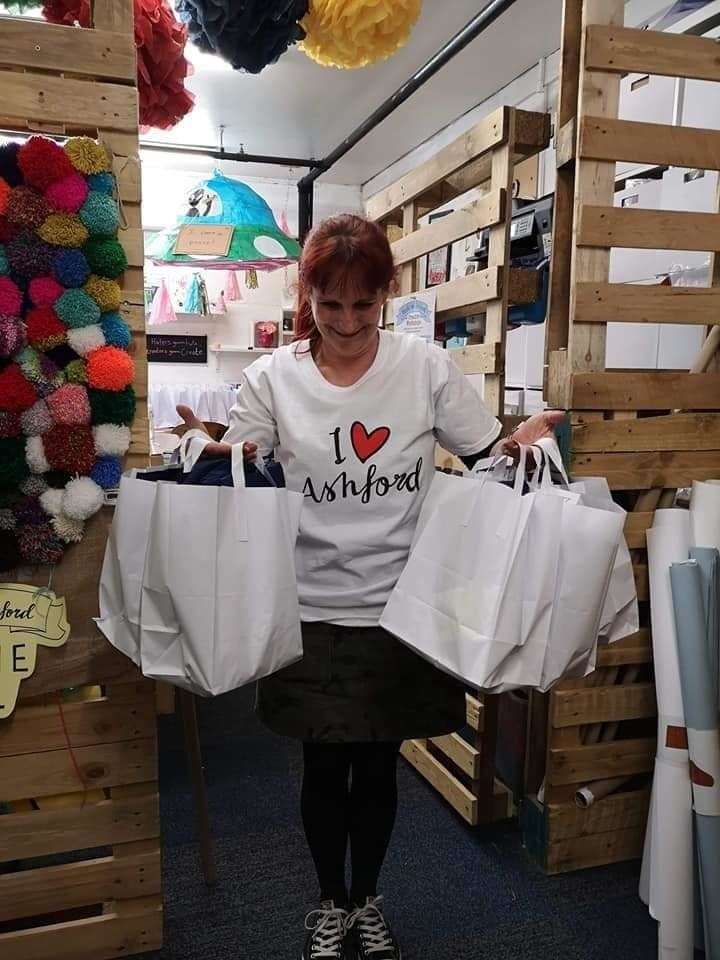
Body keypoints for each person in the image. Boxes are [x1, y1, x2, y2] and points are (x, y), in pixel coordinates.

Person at [176, 213, 564, 960]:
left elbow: (486, 452)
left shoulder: (423, 369)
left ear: (386, 294)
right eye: (331, 305)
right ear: (309, 296)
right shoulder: (272, 377)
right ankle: (332, 903)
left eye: (364, 304)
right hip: (310, 606)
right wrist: (205, 447)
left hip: (399, 607)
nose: (348, 322)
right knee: (323, 766)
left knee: (380, 765)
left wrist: (524, 442)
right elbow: (241, 461)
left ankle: (369, 900)